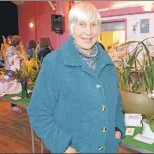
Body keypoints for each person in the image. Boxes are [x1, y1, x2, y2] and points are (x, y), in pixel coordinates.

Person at [27, 2, 125, 153]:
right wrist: (64, 146)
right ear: (72, 27)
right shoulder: (54, 63)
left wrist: (118, 128)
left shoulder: (107, 63)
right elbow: (38, 111)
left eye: (93, 24)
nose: (89, 31)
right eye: (82, 24)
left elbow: (116, 102)